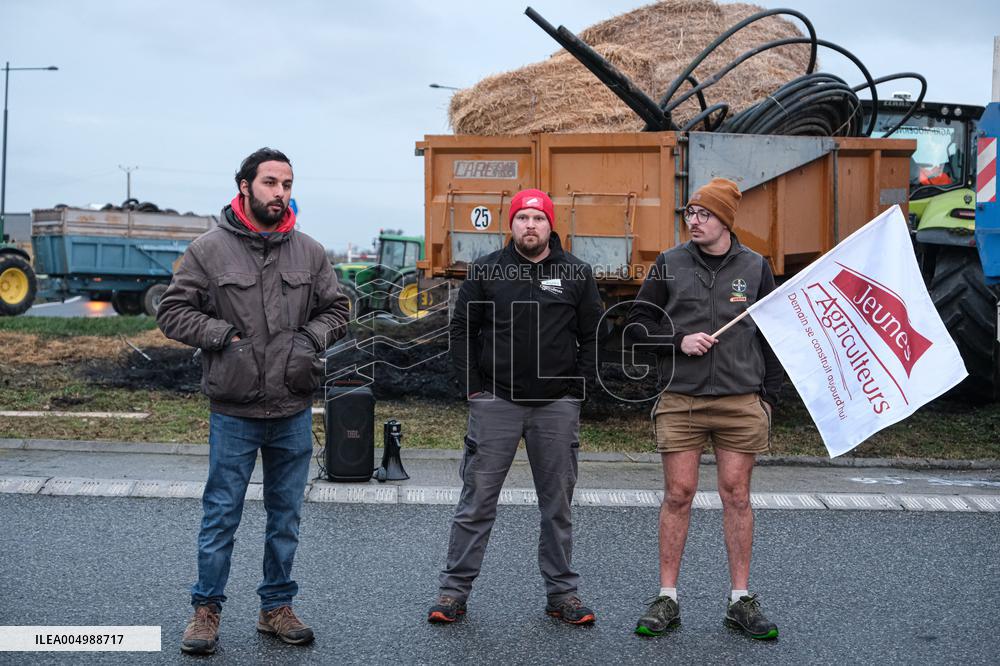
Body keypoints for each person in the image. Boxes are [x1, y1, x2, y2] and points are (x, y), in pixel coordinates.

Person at [157, 148, 350, 654]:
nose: (280, 192)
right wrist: (221, 335)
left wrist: (310, 341)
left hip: (292, 407)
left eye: (287, 183)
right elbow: (172, 312)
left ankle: (275, 608)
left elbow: (337, 309)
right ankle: (205, 612)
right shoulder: (209, 250)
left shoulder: (309, 251)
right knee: (222, 514)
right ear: (245, 186)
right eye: (270, 182)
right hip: (234, 410)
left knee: (285, 515)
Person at [428, 189, 605, 625]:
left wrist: (574, 392)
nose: (530, 225)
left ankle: (562, 594)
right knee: (477, 501)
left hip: (555, 407)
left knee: (557, 505)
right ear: (512, 225)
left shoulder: (576, 274)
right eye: (522, 218)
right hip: (497, 403)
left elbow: (594, 335)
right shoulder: (487, 270)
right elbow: (463, 330)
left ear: (551, 225)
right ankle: (453, 593)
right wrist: (473, 389)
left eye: (538, 218)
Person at [626, 178, 783, 640]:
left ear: (725, 220)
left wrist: (769, 399)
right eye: (690, 213)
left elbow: (773, 336)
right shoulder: (669, 264)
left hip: (740, 401)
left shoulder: (755, 267)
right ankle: (667, 599)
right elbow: (635, 327)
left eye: (704, 213)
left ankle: (740, 601)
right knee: (679, 495)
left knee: (737, 496)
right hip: (681, 400)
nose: (694, 220)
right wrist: (677, 341)